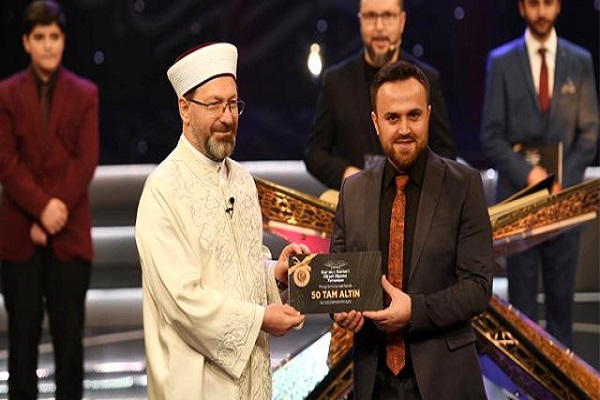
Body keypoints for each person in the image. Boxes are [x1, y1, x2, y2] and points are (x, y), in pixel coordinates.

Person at [135, 42, 307, 399]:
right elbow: (183, 301)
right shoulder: (163, 190)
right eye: (214, 105)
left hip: (251, 378)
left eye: (233, 104)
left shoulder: (242, 181)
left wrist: (275, 273)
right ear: (184, 108)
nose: (227, 118)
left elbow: (239, 269)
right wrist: (260, 319)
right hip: (193, 384)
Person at [331, 61, 493, 400]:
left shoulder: (464, 185)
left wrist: (414, 312)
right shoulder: (353, 190)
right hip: (373, 384)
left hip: (447, 382)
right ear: (375, 122)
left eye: (414, 115)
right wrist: (340, 308)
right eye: (392, 118)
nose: (404, 128)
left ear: (429, 115)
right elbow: (339, 276)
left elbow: (477, 288)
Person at [480, 0, 599, 348]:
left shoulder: (580, 60)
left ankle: (561, 378)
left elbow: (590, 133)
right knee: (522, 314)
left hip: (564, 203)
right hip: (520, 203)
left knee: (563, 311)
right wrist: (530, 175)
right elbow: (491, 135)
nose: (541, 12)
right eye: (534, 3)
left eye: (548, 3)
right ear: (522, 8)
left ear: (558, 6)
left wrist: (561, 180)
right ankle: (523, 378)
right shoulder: (501, 61)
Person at [0, 1, 99, 398]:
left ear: (63, 41)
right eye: (39, 37)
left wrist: (53, 212)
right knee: (21, 347)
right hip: (20, 235)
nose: (47, 45)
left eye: (54, 37)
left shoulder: (86, 94)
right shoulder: (6, 94)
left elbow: (85, 160)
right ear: (26, 42)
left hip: (68, 235)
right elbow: (6, 161)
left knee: (69, 347)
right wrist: (41, 209)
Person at [304, 0, 457, 190]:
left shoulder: (426, 79)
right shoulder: (336, 81)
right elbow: (315, 153)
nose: (379, 26)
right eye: (371, 16)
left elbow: (445, 153)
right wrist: (349, 176)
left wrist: (413, 180)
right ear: (360, 21)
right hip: (356, 200)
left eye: (387, 16)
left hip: (414, 198)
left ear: (402, 21)